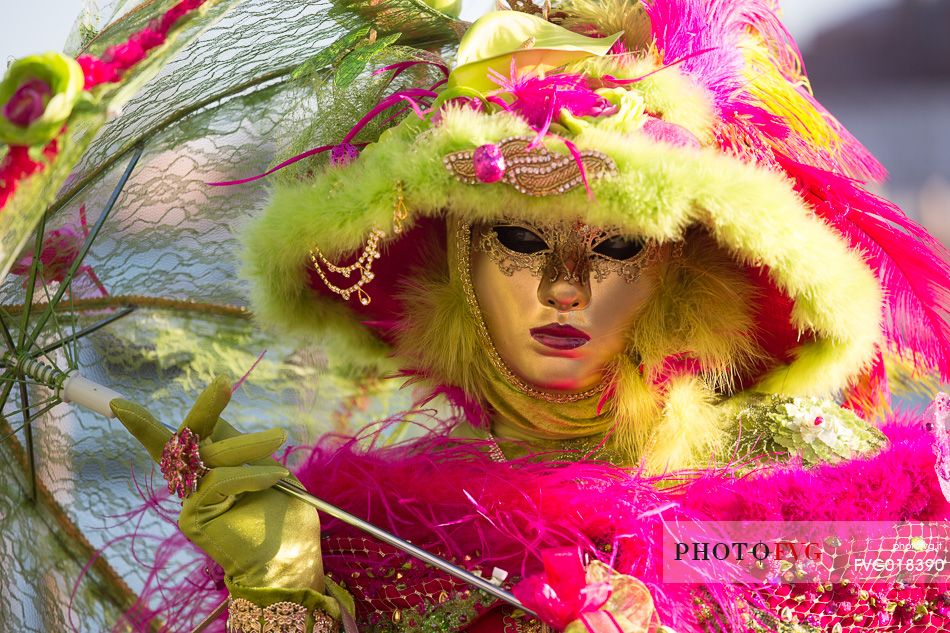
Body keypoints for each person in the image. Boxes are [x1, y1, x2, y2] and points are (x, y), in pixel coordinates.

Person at [111, 2, 950, 632]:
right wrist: (280, 584)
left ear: (678, 269)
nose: (565, 288)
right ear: (453, 263)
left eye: (616, 245)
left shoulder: (813, 485)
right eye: (517, 238)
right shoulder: (386, 540)